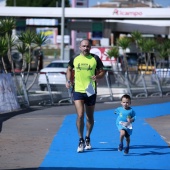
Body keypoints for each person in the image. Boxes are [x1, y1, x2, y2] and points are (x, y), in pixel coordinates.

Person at [66, 39, 105, 153]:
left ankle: (88, 137)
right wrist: (68, 80)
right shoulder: (75, 58)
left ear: (90, 47)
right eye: (83, 46)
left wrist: (98, 76)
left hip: (90, 89)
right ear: (80, 47)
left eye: (87, 46)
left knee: (90, 117)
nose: (85, 48)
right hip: (77, 89)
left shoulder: (95, 58)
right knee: (80, 115)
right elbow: (68, 69)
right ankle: (80, 139)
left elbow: (102, 71)